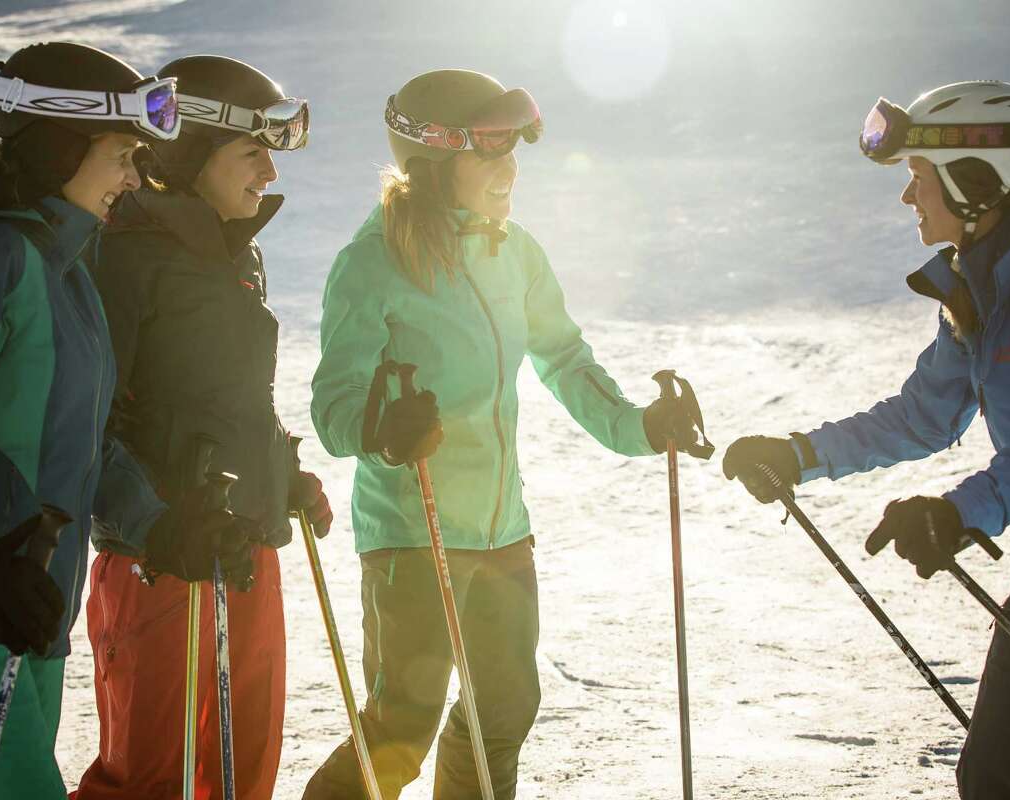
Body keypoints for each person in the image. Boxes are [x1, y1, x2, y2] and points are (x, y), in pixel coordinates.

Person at [303, 68, 707, 800]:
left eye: (512, 148)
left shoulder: (513, 251)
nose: (508, 168)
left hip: (500, 530)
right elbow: (334, 400)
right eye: (487, 150)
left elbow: (563, 357)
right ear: (432, 160)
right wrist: (383, 431)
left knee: (505, 709)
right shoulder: (372, 264)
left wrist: (639, 427)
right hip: (410, 528)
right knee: (403, 722)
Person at [722, 80, 1010, 798]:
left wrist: (961, 512)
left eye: (918, 180)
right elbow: (924, 416)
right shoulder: (978, 283)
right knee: (994, 778)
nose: (907, 200)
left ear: (974, 181)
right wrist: (799, 454)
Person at [0, 42, 180, 800]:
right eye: (122, 153)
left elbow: (85, 440)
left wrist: (160, 526)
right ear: (61, 144)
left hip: (29, 609)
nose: (134, 177)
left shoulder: (66, 272)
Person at [73, 54, 329, 800]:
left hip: (240, 545)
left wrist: (281, 471)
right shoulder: (123, 256)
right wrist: (158, 525)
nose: (269, 176)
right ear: (191, 148)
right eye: (254, 153)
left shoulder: (233, 253)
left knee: (243, 769)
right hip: (163, 561)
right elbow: (90, 421)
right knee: (149, 778)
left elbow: (229, 398)